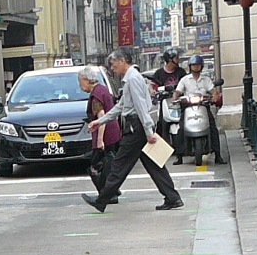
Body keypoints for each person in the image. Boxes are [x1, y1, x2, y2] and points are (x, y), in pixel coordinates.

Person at [82, 47, 183, 213]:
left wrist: (149, 132)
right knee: (154, 164)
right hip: (138, 126)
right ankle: (172, 198)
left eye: (113, 64)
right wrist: (100, 121)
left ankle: (102, 200)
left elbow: (141, 106)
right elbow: (121, 106)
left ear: (123, 61)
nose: (112, 68)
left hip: (136, 127)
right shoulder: (131, 78)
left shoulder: (133, 78)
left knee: (119, 165)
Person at [78, 66, 120, 203]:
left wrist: (100, 140)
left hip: (106, 134)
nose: (80, 85)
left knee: (96, 165)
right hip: (113, 132)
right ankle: (112, 192)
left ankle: (107, 194)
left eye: (80, 81)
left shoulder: (96, 94)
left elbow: (101, 116)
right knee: (108, 164)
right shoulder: (103, 89)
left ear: (86, 80)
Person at [173, 55, 223, 165]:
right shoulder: (185, 80)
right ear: (190, 67)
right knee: (181, 128)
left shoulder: (206, 80)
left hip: (203, 106)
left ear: (201, 66)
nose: (196, 67)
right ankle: (179, 156)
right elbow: (178, 91)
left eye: (198, 65)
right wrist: (175, 97)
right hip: (188, 107)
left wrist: (215, 97)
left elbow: (213, 91)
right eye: (194, 65)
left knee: (213, 128)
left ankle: (218, 155)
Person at [149, 47, 185, 151]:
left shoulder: (181, 72)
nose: (178, 59)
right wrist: (152, 91)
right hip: (165, 102)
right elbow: (152, 85)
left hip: (179, 101)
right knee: (162, 123)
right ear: (170, 59)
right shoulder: (159, 73)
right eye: (176, 58)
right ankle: (163, 147)